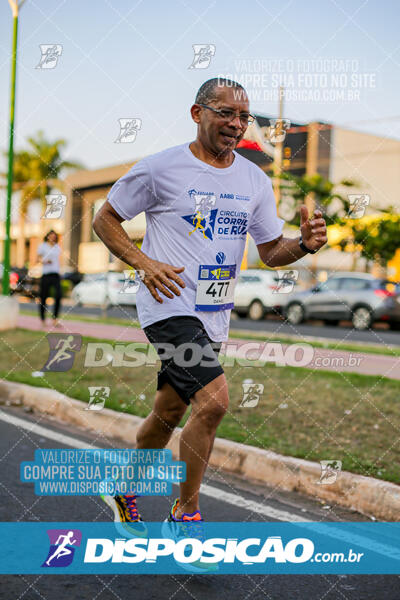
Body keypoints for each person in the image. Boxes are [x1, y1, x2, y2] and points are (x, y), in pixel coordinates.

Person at [93, 78, 327, 542]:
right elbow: (105, 218)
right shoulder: (161, 169)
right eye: (225, 113)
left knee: (168, 413)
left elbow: (269, 252)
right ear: (198, 113)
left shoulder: (254, 180)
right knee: (215, 401)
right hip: (167, 305)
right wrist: (143, 262)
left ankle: (122, 490)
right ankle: (185, 515)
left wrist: (302, 244)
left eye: (243, 116)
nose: (236, 124)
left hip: (214, 314)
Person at [37, 230, 62, 327]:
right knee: (43, 297)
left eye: (54, 236)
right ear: (47, 237)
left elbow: (58, 261)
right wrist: (44, 261)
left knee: (59, 295)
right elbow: (38, 258)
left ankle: (55, 319)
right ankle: (42, 319)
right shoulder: (43, 246)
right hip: (46, 274)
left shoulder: (57, 247)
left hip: (55, 274)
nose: (53, 238)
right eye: (51, 236)